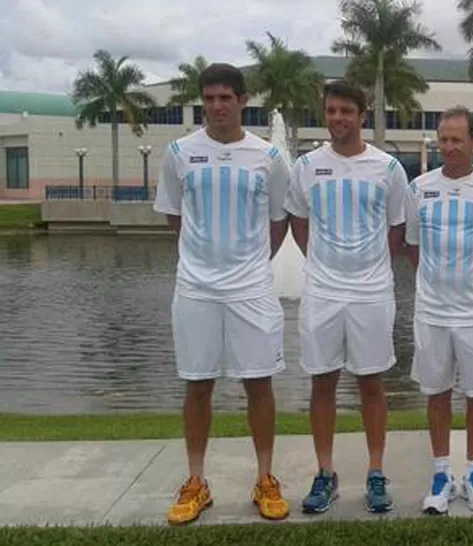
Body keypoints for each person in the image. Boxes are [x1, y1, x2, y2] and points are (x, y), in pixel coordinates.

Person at [153, 63, 291, 525]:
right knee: (197, 384)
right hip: (195, 288)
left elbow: (278, 222)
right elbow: (176, 216)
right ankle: (196, 481)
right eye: (208, 98)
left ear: (242, 100)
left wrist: (247, 264)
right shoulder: (178, 152)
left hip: (251, 289)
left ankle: (266, 478)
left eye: (225, 98)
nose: (216, 106)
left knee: (259, 383)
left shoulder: (268, 157)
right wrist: (203, 258)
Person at [284, 79, 407, 515]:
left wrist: (368, 265)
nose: (338, 118)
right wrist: (321, 262)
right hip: (322, 290)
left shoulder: (387, 168)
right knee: (323, 380)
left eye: (346, 111)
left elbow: (396, 229)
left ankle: (375, 472)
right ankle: (325, 473)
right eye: (331, 111)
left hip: (372, 291)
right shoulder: (307, 166)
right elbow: (298, 221)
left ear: (362, 115)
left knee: (372, 381)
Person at [403, 106, 473, 515]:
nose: (448, 147)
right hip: (432, 311)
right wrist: (438, 282)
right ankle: (440, 474)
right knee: (437, 391)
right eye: (443, 140)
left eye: (457, 140)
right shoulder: (419, 189)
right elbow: (412, 247)